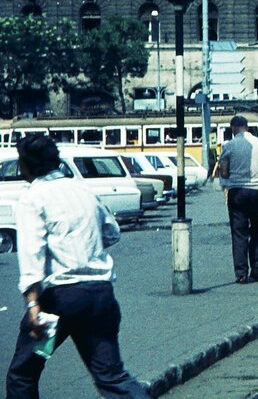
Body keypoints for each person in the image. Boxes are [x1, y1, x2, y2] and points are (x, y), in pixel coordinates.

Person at [6, 136, 150, 398]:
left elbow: (32, 255)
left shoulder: (32, 198)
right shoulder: (82, 191)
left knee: (24, 373)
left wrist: (33, 306)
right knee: (111, 376)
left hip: (57, 304)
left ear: (26, 165)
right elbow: (111, 233)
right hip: (99, 297)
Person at [217, 115, 258, 283]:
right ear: (247, 127)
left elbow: (224, 172)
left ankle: (241, 273)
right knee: (257, 228)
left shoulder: (229, 146)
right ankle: (256, 268)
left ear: (233, 128)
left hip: (238, 191)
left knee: (239, 232)